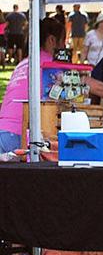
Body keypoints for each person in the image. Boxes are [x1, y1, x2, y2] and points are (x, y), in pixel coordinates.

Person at [0, 18, 63, 159]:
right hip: (18, 134)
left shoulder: (23, 63)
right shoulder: (49, 64)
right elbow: (97, 88)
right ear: (52, 40)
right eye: (62, 41)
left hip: (3, 129)